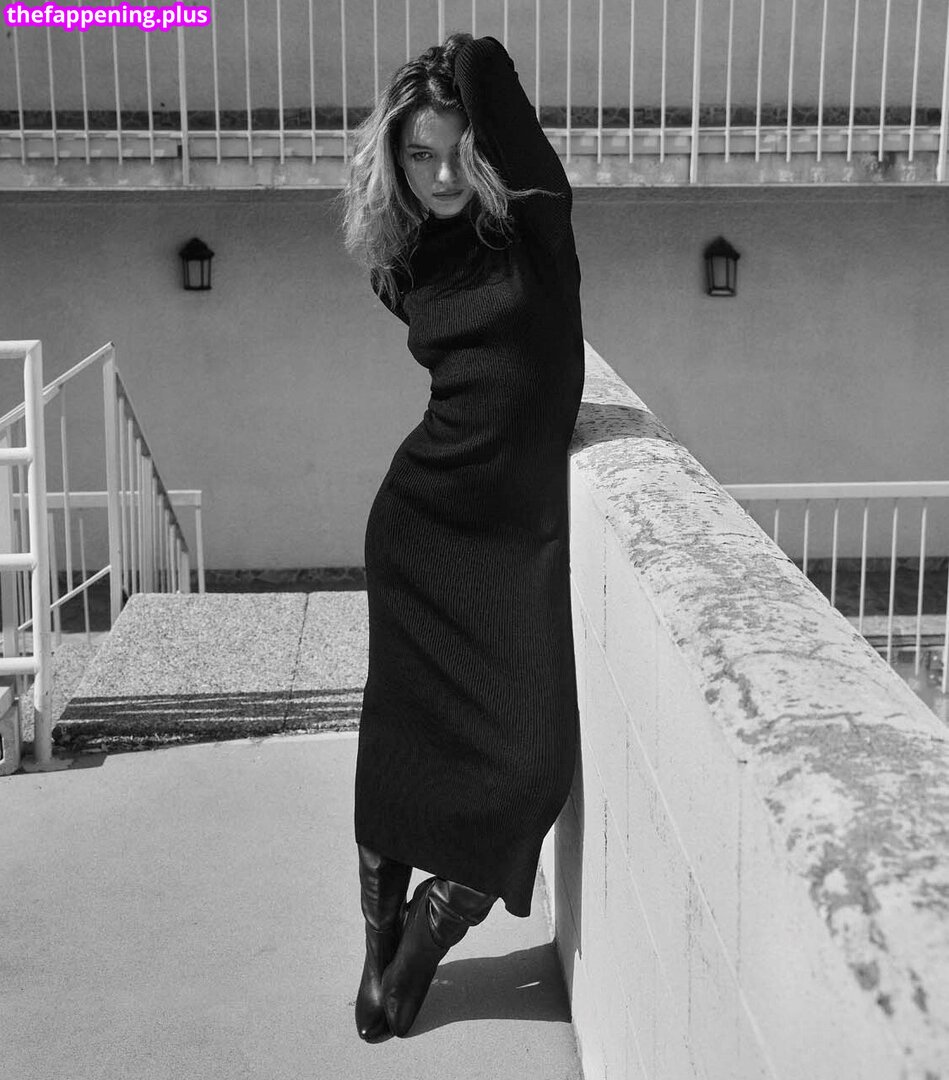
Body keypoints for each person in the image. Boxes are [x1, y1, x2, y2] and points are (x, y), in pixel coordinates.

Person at [339, 30, 585, 1041]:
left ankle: (425, 942)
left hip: (516, 541)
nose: (441, 176)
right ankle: (378, 947)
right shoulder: (400, 263)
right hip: (422, 527)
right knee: (402, 748)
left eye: (456, 151)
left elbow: (492, 70)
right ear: (393, 161)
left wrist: (450, 65)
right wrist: (426, 97)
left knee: (531, 769)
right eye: (419, 155)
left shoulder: (532, 222)